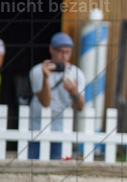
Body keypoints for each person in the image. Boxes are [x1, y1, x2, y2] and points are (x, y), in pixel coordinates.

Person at [28, 32, 87, 160]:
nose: (64, 56)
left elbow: (81, 107)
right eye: (61, 52)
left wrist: (74, 92)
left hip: (61, 130)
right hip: (37, 127)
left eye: (68, 52)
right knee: (33, 167)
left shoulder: (77, 74)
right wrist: (45, 78)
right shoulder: (37, 71)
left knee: (57, 169)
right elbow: (46, 103)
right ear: (51, 50)